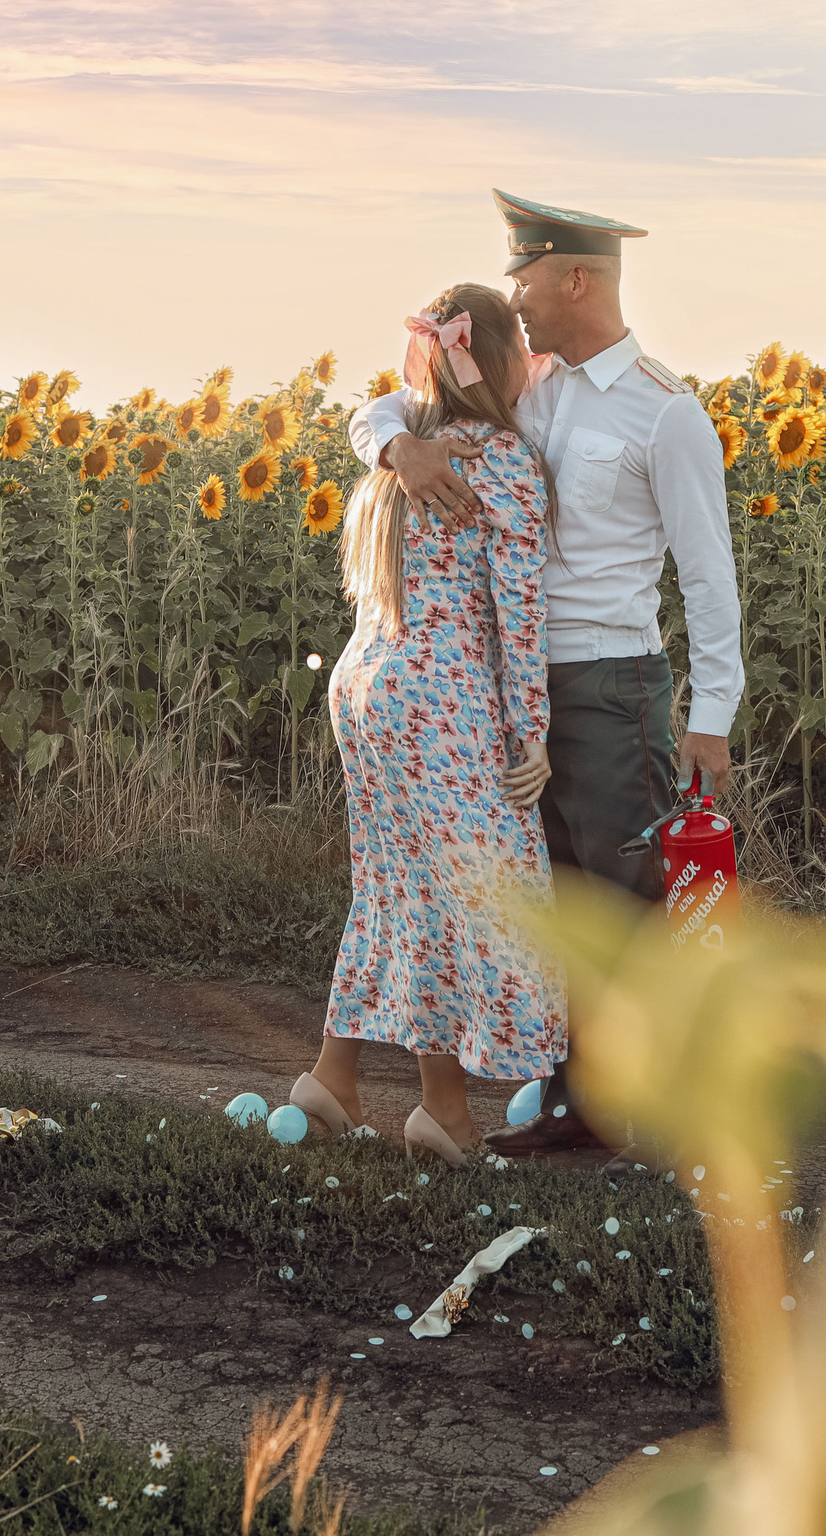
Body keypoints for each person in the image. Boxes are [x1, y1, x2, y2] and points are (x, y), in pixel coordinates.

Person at [349, 188, 744, 1161]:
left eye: (524, 278)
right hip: (509, 692)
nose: (514, 297)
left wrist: (712, 714)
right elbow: (384, 406)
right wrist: (401, 449)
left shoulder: (665, 413)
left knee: (626, 902)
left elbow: (707, 575)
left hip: (611, 686)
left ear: (575, 279)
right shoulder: (527, 385)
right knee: (556, 904)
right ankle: (583, 1106)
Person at [286, 282, 562, 1169]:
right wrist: (534, 732)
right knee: (475, 892)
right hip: (442, 698)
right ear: (502, 358)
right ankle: (441, 1109)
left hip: (367, 687)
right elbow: (519, 615)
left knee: (396, 885)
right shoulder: (499, 460)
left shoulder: (405, 455)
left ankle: (333, 1079)